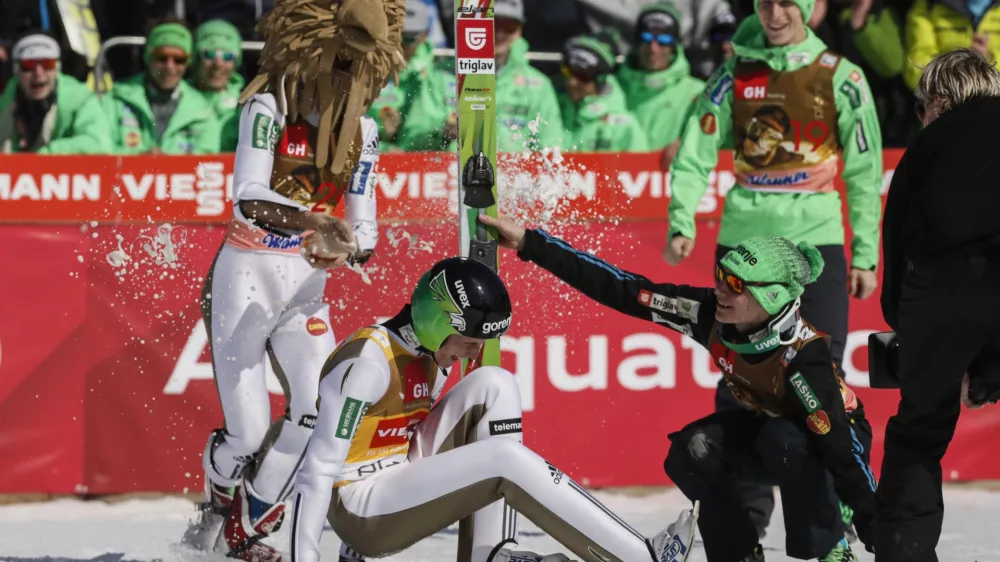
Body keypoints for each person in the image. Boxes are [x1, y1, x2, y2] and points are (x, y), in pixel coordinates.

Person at [479, 214, 877, 562]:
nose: (720, 288)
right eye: (722, 273)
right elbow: (626, 290)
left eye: (736, 283)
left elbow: (840, 444)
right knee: (692, 450)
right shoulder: (707, 313)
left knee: (784, 439)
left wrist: (874, 518)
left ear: (772, 296)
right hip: (771, 434)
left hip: (828, 443)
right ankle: (740, 554)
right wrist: (532, 244)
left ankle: (832, 550)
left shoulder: (804, 357)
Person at [289, 256, 700, 562]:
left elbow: (401, 441)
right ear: (438, 323)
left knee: (495, 384)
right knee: (503, 459)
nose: (475, 351)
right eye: (469, 341)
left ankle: (492, 553)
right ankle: (640, 558)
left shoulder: (431, 353)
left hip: (395, 482)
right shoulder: (367, 363)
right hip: (362, 511)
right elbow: (318, 471)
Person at [665, 0, 883, 540]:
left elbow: (864, 167)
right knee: (739, 376)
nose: (775, 12)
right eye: (765, 2)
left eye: (788, 2)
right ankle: (743, 525)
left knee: (822, 378)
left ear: (809, 7)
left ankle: (836, 520)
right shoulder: (735, 70)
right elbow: (695, 144)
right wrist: (681, 216)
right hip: (744, 243)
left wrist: (865, 254)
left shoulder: (842, 76)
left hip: (818, 239)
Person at [189, 0, 395, 557]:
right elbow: (248, 196)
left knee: (316, 410)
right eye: (340, 60)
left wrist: (353, 245)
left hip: (306, 291)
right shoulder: (269, 104)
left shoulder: (366, 129)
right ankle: (218, 491)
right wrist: (311, 222)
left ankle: (248, 531)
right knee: (249, 434)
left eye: (357, 65)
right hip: (245, 276)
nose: (347, 75)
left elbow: (366, 217)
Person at [877, 48, 1000, 562]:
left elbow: (898, 240)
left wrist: (900, 322)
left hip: (941, 298)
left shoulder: (925, 148)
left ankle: (904, 552)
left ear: (940, 101)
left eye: (922, 106)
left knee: (919, 436)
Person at [102, 20, 221, 155]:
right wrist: (138, 159)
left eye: (179, 60)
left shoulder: (202, 111)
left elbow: (209, 160)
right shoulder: (115, 100)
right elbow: (100, 149)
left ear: (188, 63)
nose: (170, 67)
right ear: (148, 57)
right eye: (161, 58)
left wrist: (170, 165)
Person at [616, 3, 706, 169]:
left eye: (664, 40)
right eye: (646, 39)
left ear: (674, 45)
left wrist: (689, 143)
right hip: (617, 185)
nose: (653, 48)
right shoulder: (613, 88)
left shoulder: (698, 91)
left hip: (668, 187)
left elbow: (722, 136)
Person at [0, 33, 111, 154]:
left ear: (57, 68)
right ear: (17, 70)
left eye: (47, 64)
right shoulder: (7, 98)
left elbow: (99, 144)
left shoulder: (80, 99)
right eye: (29, 65)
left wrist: (47, 154)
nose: (38, 73)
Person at [559, 34, 649, 152]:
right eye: (568, 72)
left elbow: (640, 167)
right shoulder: (551, 108)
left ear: (600, 79)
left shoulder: (625, 126)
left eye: (582, 76)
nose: (572, 82)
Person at [189, 19, 245, 151]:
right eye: (209, 54)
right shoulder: (176, 100)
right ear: (195, 59)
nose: (218, 64)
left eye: (228, 56)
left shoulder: (246, 103)